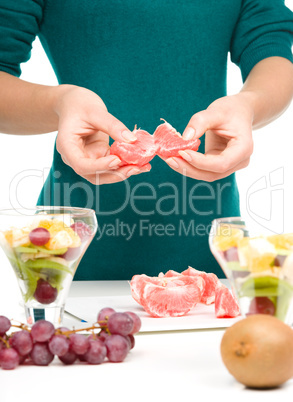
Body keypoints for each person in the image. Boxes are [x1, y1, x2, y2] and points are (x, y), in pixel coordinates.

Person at [0, 0, 292, 280]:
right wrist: (60, 104)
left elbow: (272, 49)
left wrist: (250, 105)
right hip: (72, 251)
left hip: (211, 245)